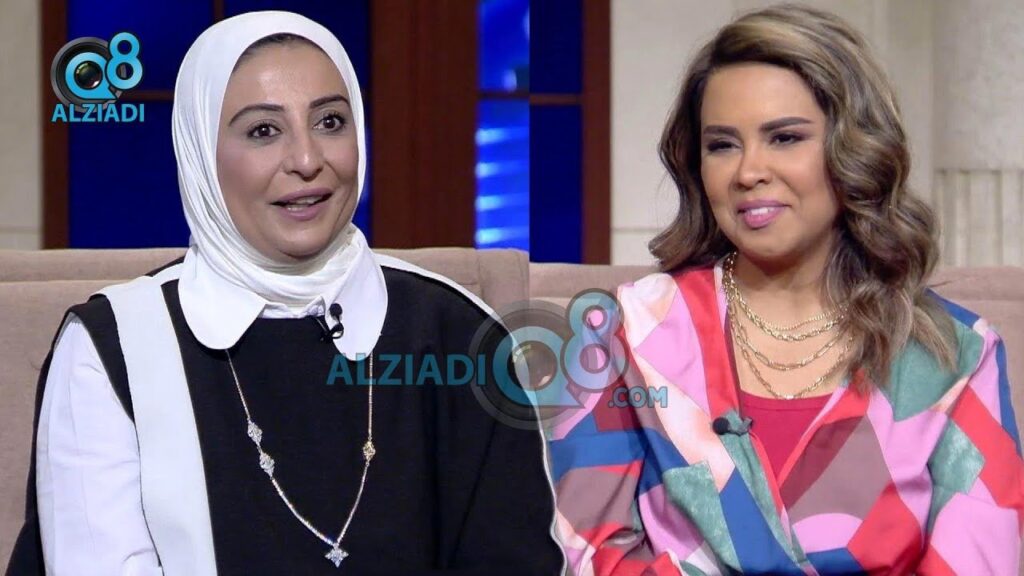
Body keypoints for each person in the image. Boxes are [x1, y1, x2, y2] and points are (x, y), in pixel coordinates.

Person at [7, 11, 562, 576]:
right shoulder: (114, 346)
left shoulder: (457, 332)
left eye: (330, 121)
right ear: (200, 155)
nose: (306, 160)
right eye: (263, 131)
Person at [546, 5, 1024, 575]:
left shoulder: (955, 356)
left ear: (854, 149)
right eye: (722, 145)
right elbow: (588, 552)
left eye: (785, 137)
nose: (748, 171)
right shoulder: (624, 336)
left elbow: (978, 560)